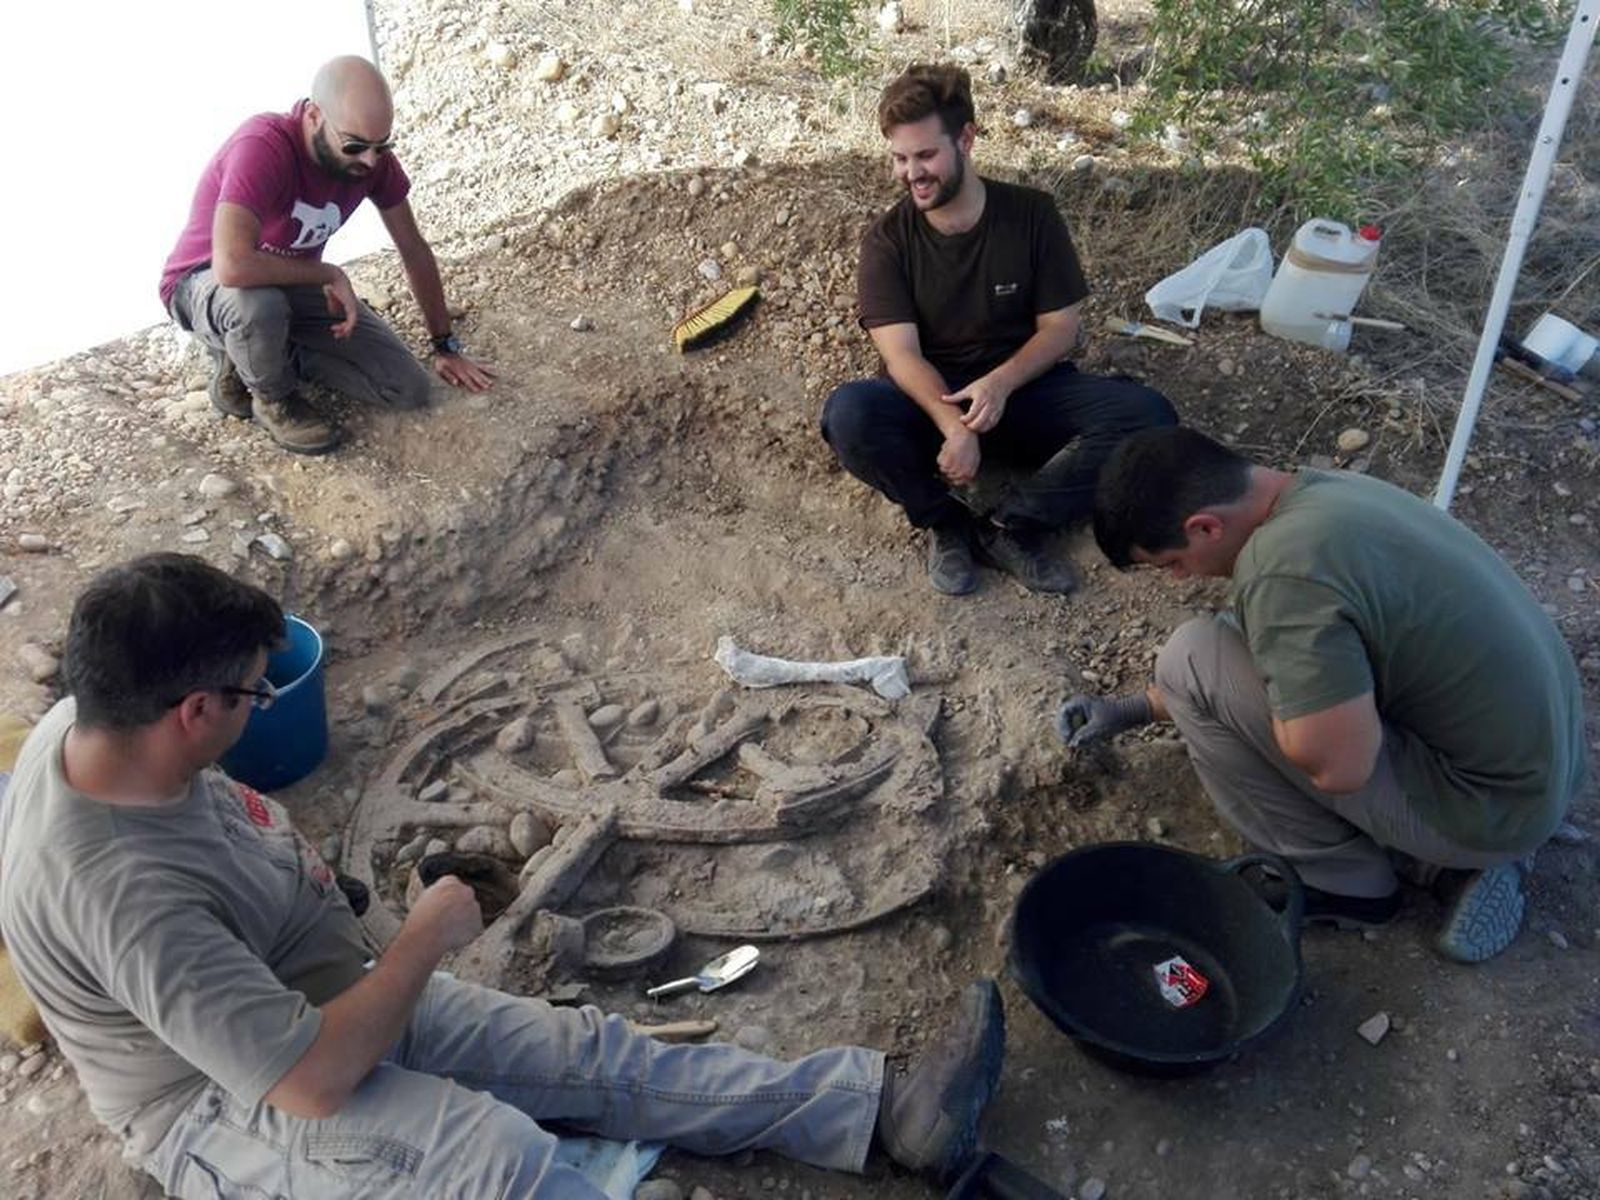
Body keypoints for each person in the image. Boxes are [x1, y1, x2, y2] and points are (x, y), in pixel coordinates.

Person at [0, 555, 1004, 1198]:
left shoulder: (98, 718)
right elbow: (308, 1082)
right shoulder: (124, 897)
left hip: (319, 995)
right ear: (191, 711)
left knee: (594, 1057)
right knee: (499, 1161)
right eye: (254, 697)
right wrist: (424, 940)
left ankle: (876, 1113)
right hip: (222, 1099)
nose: (262, 710)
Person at [1060, 427, 1588, 962]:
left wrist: (1279, 716)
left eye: (1172, 562)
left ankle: (1345, 879)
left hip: (1489, 811)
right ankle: (1432, 855)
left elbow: (1339, 769)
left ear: (1204, 526)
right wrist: (1138, 708)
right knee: (1230, 644)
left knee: (1190, 654)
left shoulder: (1283, 571)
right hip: (1545, 770)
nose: (1178, 579)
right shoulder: (1321, 494)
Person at [821, 62, 1176, 597]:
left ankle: (1012, 526)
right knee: (848, 415)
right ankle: (946, 524)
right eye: (899, 158)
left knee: (1148, 417)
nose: (911, 173)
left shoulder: (1032, 215)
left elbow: (1060, 327)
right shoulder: (887, 241)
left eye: (925, 155)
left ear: (965, 139)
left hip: (1023, 393)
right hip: (930, 400)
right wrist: (954, 428)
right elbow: (901, 357)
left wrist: (1003, 382)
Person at [159, 56, 496, 455]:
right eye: (354, 146)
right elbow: (232, 264)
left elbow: (413, 248)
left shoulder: (371, 160)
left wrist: (444, 345)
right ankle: (272, 399)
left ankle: (263, 353)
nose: (369, 160)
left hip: (286, 282)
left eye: (381, 146)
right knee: (257, 305)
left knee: (406, 388)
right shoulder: (263, 145)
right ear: (315, 115)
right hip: (204, 281)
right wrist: (328, 272)